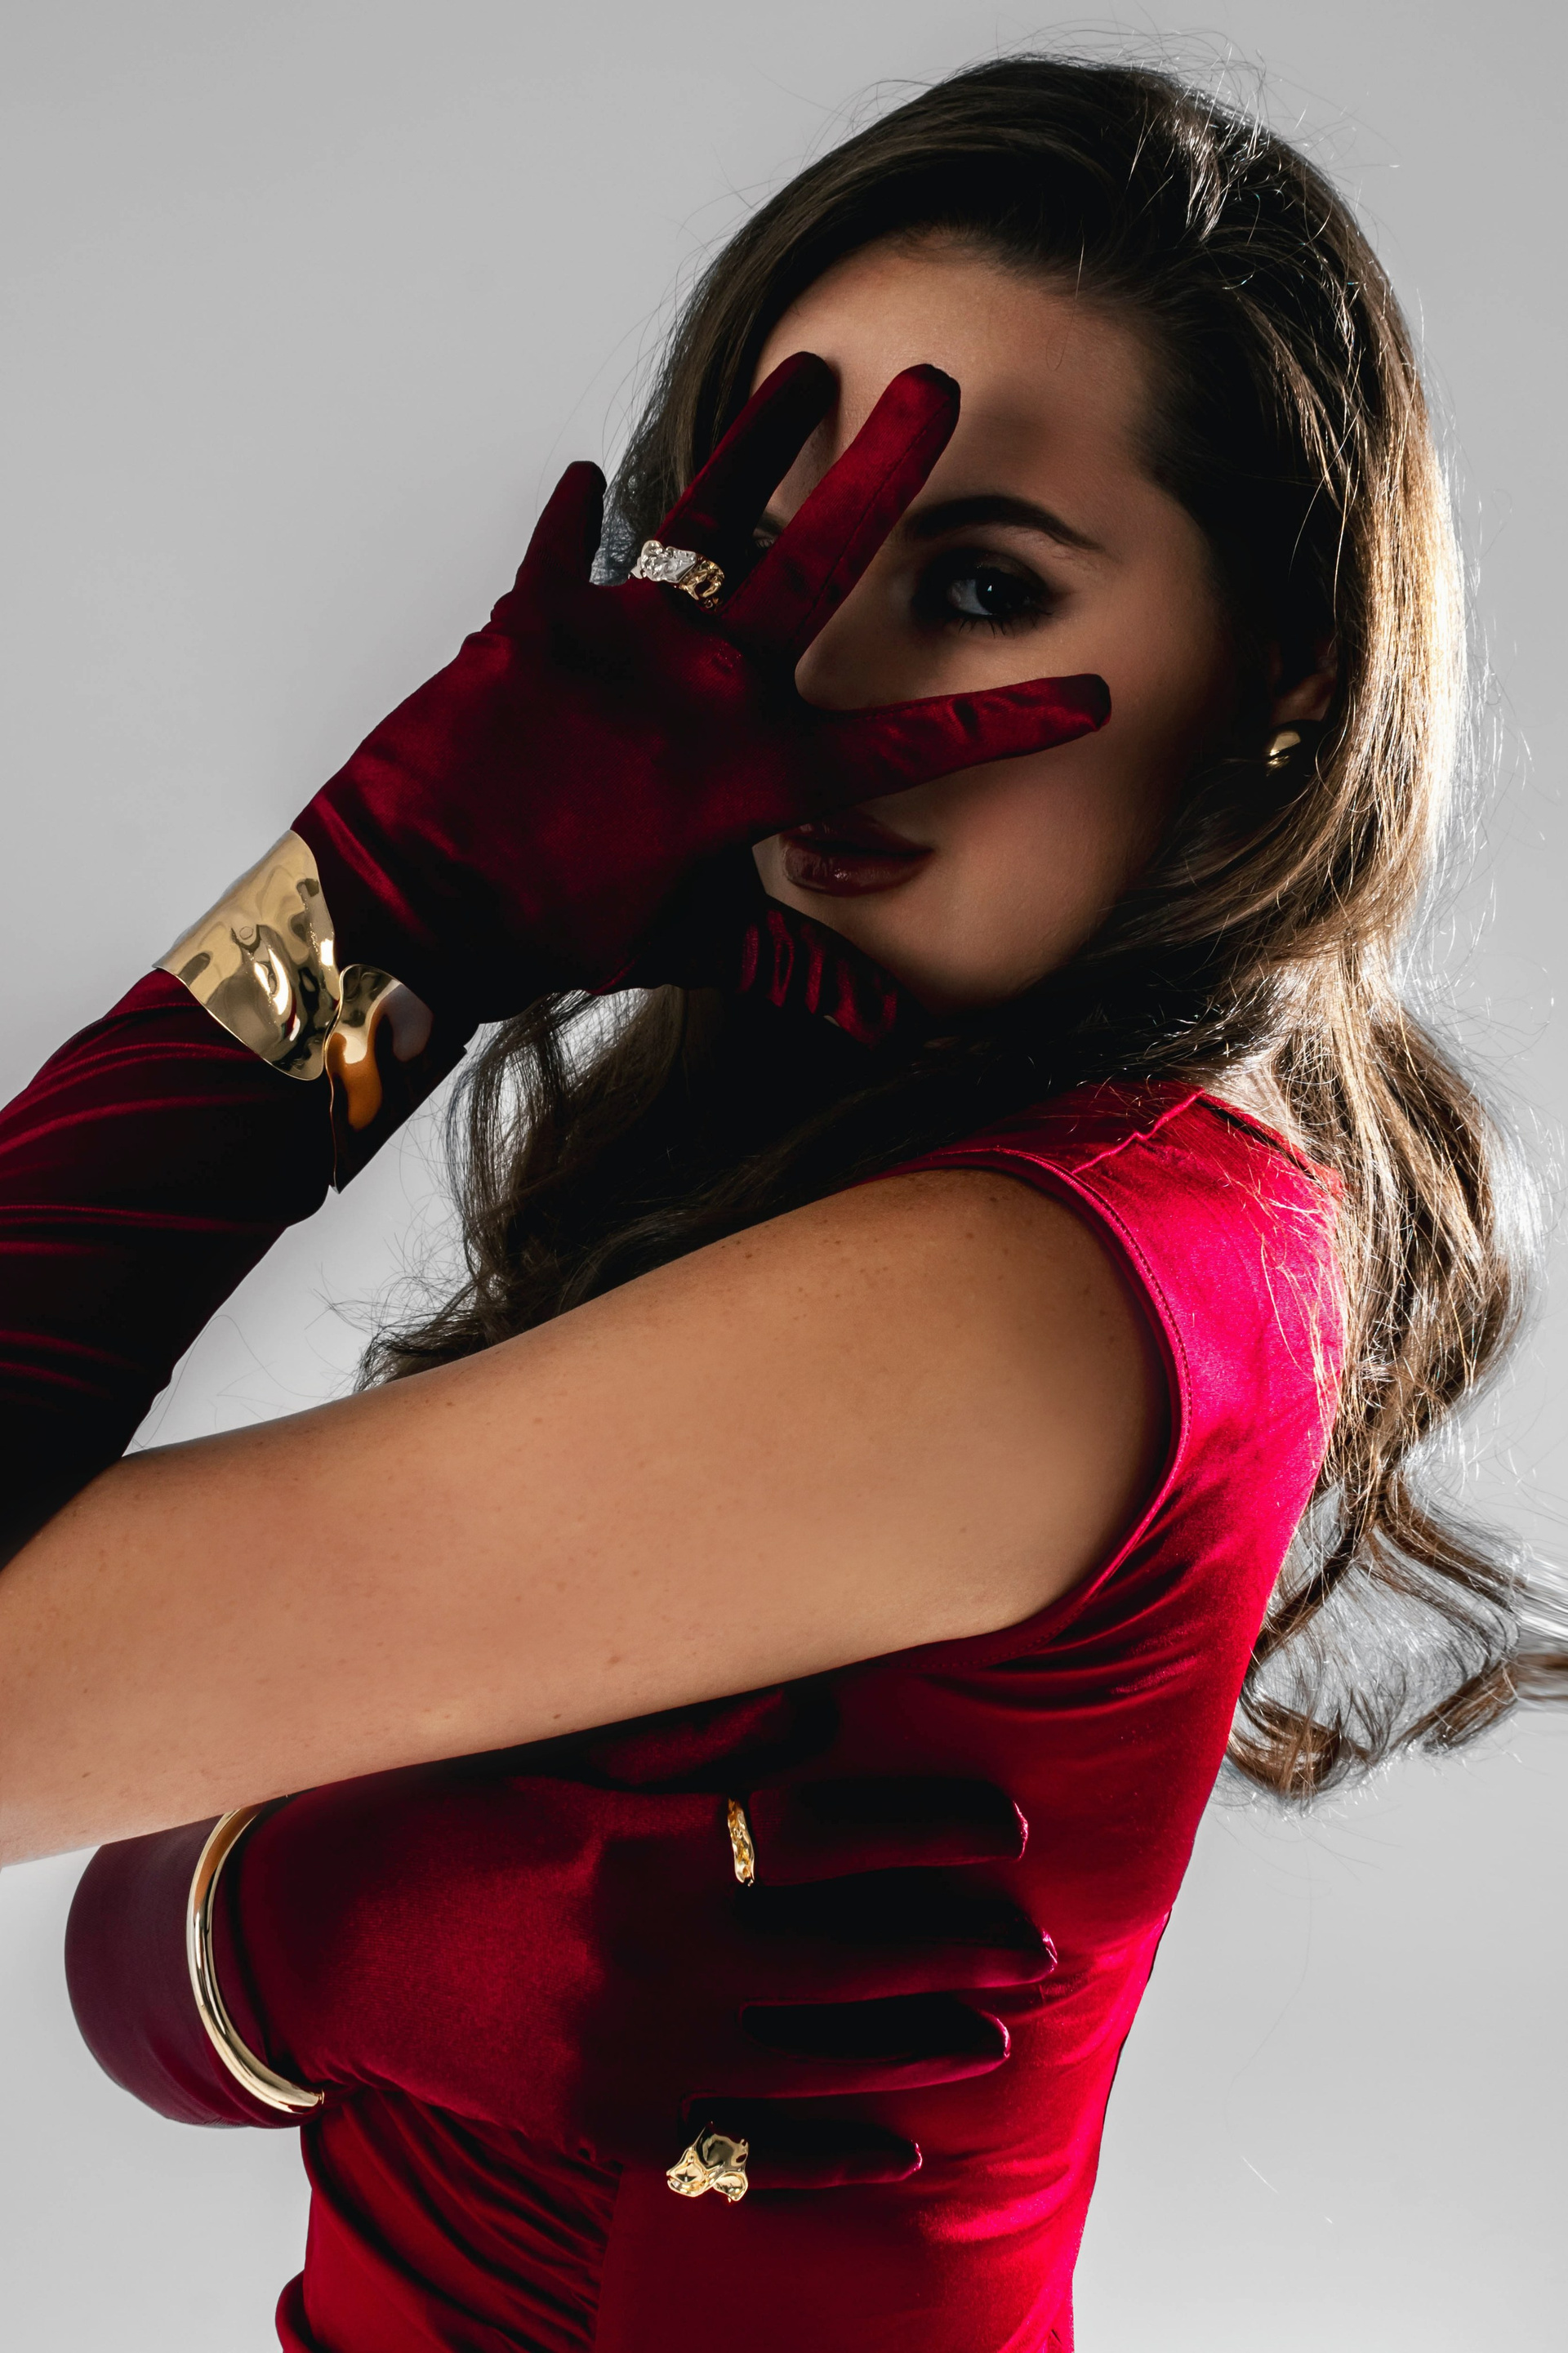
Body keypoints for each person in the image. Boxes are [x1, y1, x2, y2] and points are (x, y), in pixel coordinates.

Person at [0, 49, 1557, 2353]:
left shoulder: (1015, 1286)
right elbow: (163, 1952)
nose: (815, 674)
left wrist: (382, 899)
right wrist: (303, 1920)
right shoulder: (980, 1181)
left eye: (984, 581)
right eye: (777, 555)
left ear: (1280, 676)